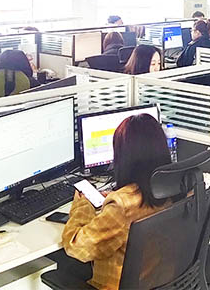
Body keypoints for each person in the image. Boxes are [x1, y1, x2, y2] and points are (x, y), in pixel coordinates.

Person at [58, 114, 171, 290]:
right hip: (160, 281)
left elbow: (76, 247)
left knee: (63, 268)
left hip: (115, 286)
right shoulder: (177, 187)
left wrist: (82, 205)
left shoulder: (122, 206)